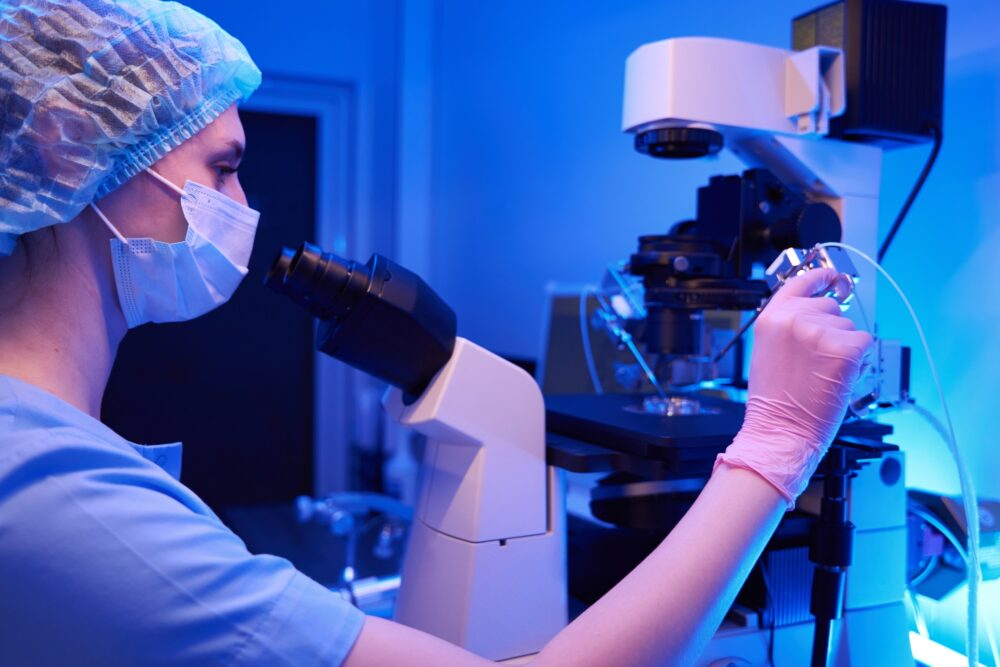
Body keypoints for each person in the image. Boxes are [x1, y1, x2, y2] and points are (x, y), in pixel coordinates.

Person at [0, 1, 873, 665]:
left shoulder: (39, 444)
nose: (246, 211)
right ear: (72, 150)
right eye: (222, 169)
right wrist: (780, 439)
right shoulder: (54, 490)